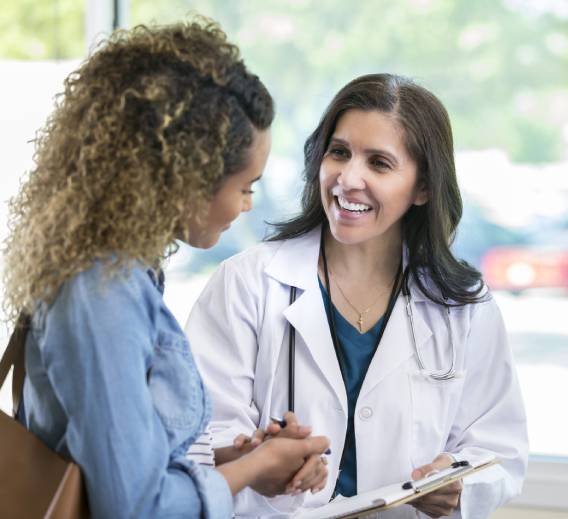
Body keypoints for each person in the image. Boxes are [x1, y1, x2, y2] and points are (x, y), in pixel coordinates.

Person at [1, 19, 330, 518]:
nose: (246, 206)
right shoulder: (101, 295)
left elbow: (117, 463)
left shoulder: (121, 274)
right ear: (185, 180)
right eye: (245, 186)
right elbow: (137, 508)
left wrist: (243, 460)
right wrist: (249, 470)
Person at [186, 73, 528, 518]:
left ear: (423, 187)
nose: (348, 179)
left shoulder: (462, 305)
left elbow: (499, 446)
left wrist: (459, 481)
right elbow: (198, 437)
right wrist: (255, 457)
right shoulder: (247, 283)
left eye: (379, 163)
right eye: (339, 152)